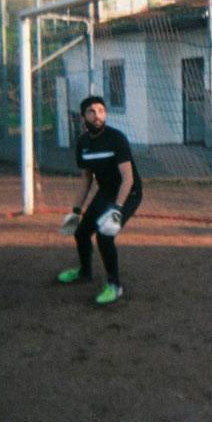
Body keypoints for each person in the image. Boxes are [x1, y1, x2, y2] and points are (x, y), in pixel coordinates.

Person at [57, 95, 142, 305]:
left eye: (101, 111)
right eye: (91, 112)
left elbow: (128, 178)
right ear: (83, 117)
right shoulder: (83, 143)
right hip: (106, 192)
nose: (97, 116)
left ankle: (115, 285)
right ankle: (85, 272)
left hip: (128, 193)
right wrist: (76, 210)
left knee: (105, 235)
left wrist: (117, 210)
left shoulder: (116, 138)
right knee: (82, 232)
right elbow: (86, 178)